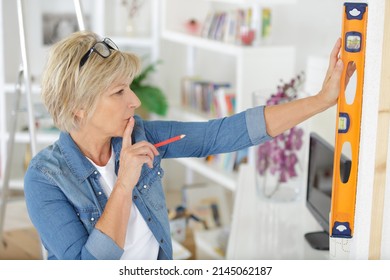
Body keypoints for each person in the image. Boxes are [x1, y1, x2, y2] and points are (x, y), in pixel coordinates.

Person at [24, 31, 355, 260]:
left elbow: (224, 133)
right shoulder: (45, 179)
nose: (135, 100)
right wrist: (124, 184)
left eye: (129, 88)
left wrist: (322, 100)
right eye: (119, 92)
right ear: (78, 107)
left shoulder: (141, 135)